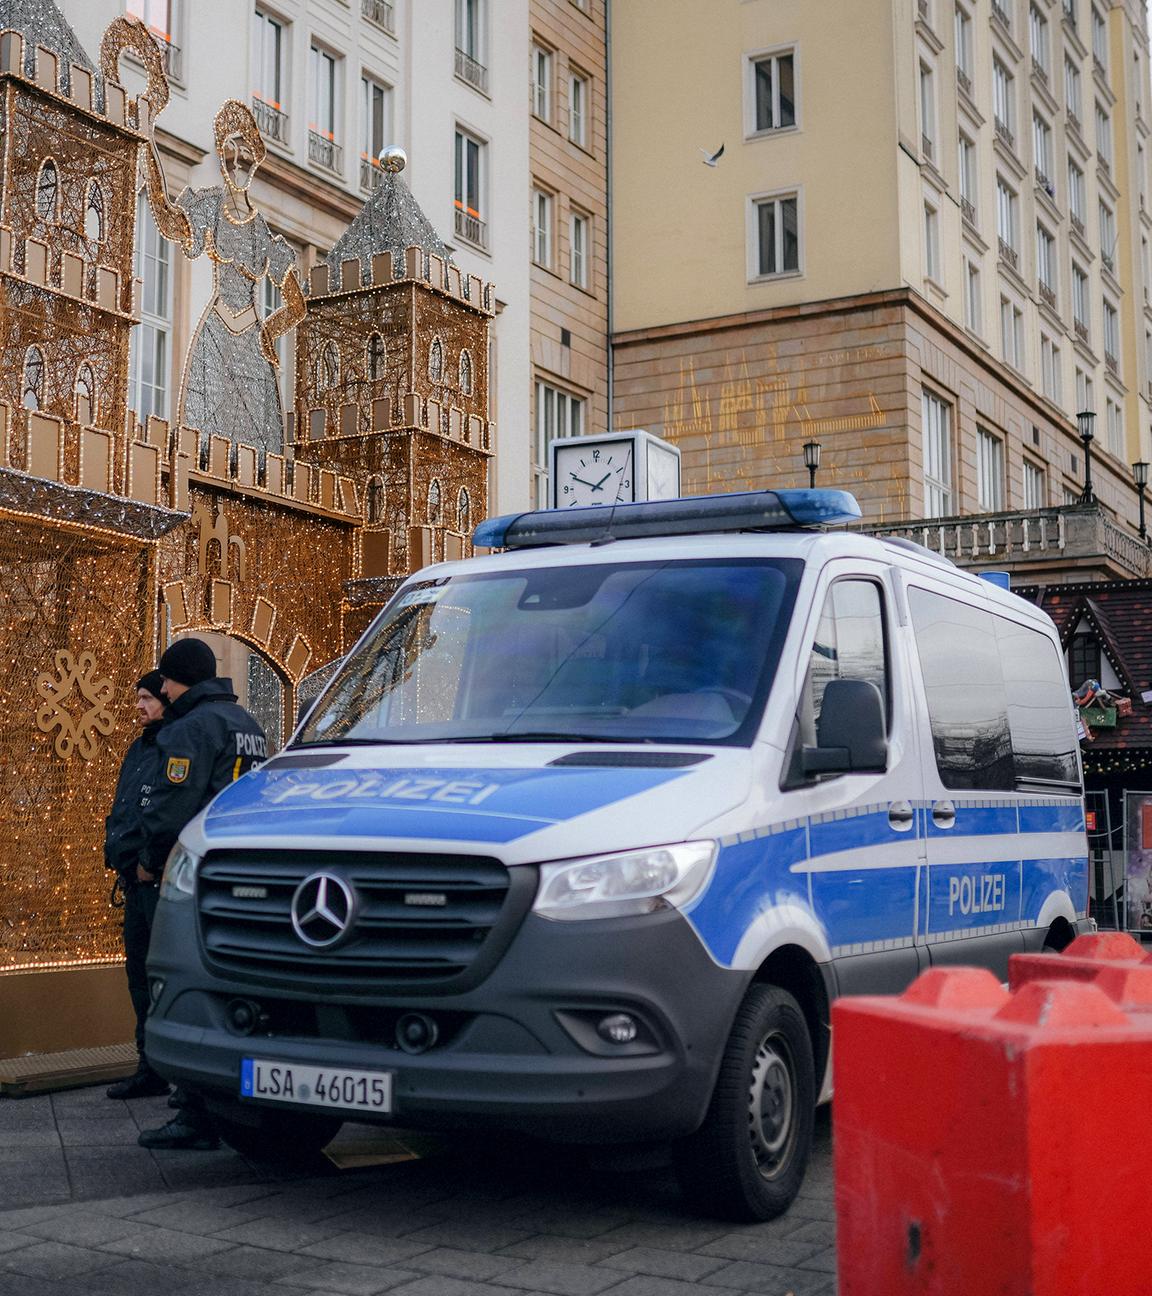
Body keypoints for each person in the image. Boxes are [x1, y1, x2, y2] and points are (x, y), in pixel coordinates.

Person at [135, 637, 269, 1151]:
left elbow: (171, 808)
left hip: (197, 878)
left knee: (187, 988)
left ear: (179, 678)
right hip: (247, 875)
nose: (161, 688)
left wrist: (149, 861)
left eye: (165, 680)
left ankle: (194, 1112)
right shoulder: (248, 725)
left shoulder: (190, 728)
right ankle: (231, 1097)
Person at [104, 671, 170, 1101]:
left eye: (147, 697)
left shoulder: (173, 745)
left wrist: (148, 863)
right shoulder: (139, 747)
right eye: (138, 698)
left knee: (159, 975)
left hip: (157, 882)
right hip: (134, 881)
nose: (140, 706)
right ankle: (149, 1065)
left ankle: (170, 1065)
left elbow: (167, 811)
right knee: (138, 975)